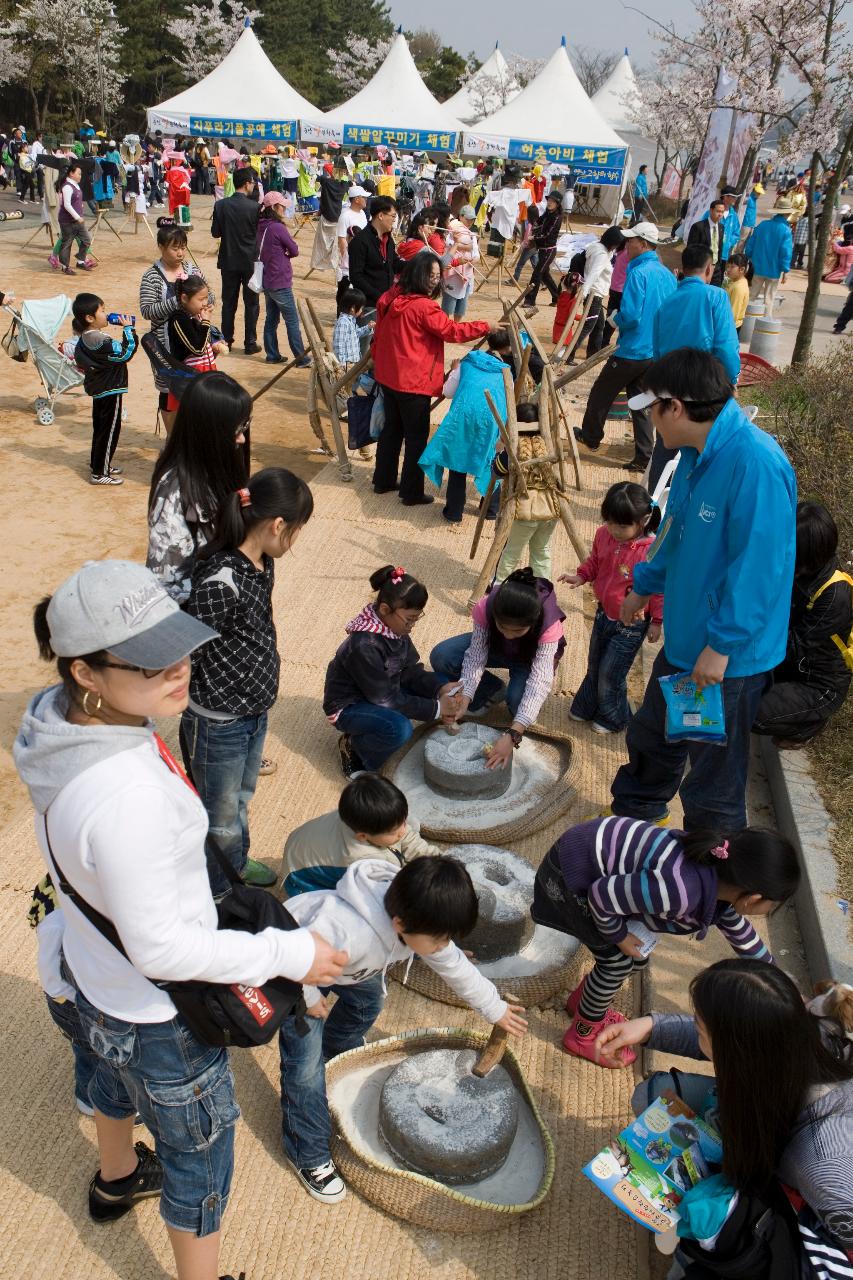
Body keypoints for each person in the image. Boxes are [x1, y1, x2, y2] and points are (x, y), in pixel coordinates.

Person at [13, 558, 346, 1280]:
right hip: (159, 1016)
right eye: (149, 657)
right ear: (86, 673)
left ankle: (116, 1175)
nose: (181, 665)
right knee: (198, 1160)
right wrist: (290, 955)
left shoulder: (55, 730)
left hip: (92, 977)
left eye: (180, 639)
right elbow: (163, 948)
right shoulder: (128, 797)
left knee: (107, 1079)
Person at [611, 348, 797, 831]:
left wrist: (721, 647)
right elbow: (673, 532)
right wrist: (643, 587)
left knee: (712, 766)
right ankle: (636, 818)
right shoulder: (693, 455)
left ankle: (710, 862)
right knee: (655, 735)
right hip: (690, 638)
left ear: (674, 407)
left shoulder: (755, 463)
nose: (651, 422)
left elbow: (760, 569)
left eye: (652, 410)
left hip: (725, 658)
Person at [278, 856, 527, 1203]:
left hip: (352, 967)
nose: (444, 947)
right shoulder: (347, 931)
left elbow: (453, 964)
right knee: (304, 1069)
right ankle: (307, 1152)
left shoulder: (419, 914)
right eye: (440, 940)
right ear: (399, 923)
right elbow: (293, 956)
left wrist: (494, 1008)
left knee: (367, 1002)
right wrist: (308, 998)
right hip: (297, 969)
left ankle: (337, 1050)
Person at [596, 959, 853, 1257]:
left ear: (737, 1052)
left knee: (703, 1243)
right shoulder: (801, 1026)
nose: (695, 1031)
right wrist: (650, 1027)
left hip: (809, 1214)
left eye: (698, 1027)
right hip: (777, 1139)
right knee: (653, 1096)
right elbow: (726, 1034)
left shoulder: (824, 1165)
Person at [532, 817, 799, 1065]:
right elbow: (602, 896)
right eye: (772, 905)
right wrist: (619, 935)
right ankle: (582, 1035)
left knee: (633, 959)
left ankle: (584, 1004)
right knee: (616, 962)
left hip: (593, 871)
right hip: (570, 877)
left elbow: (741, 933)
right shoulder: (681, 890)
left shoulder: (718, 873)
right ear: (753, 898)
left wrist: (779, 983)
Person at [182, 468, 313, 896]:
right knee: (217, 814)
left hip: (251, 711)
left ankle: (233, 862)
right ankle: (218, 893)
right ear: (278, 525)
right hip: (217, 721)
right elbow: (188, 647)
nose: (293, 542)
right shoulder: (221, 580)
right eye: (295, 531)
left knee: (240, 797)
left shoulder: (263, 563)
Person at [371, 253, 491, 506]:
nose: (433, 281)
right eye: (430, 276)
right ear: (417, 274)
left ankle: (383, 480)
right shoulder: (424, 307)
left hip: (390, 375)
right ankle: (411, 491)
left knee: (392, 429)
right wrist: (485, 326)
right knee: (415, 437)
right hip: (413, 381)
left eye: (437, 276)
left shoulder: (391, 297)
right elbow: (451, 331)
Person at [323, 565, 461, 778]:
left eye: (417, 617)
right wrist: (436, 708)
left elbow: (411, 672)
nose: (413, 625)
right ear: (385, 610)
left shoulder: (395, 630)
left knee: (441, 683)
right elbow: (385, 698)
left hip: (382, 690)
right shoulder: (364, 645)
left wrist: (440, 689)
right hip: (350, 704)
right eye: (410, 619)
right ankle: (356, 749)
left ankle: (437, 695)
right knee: (399, 729)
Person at [432, 567, 567, 773]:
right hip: (496, 647)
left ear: (532, 622)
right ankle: (491, 691)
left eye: (518, 630)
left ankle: (510, 695)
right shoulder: (486, 606)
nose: (510, 635)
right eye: (503, 626)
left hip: (527, 659)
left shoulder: (549, 625)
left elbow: (540, 681)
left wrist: (513, 734)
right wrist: (466, 697)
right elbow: (476, 656)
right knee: (443, 656)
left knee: (519, 705)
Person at [561, 482, 663, 733]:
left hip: (632, 623)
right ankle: (587, 705)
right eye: (610, 522)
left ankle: (615, 717)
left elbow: (660, 588)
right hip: (604, 613)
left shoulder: (651, 551)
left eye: (622, 525)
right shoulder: (603, 535)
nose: (614, 530)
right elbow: (595, 561)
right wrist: (582, 576)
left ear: (642, 521)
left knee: (611, 671)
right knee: (595, 663)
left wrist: (658, 621)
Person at [574, 222, 677, 473]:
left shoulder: (638, 273)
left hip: (632, 348)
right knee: (640, 402)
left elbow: (631, 315)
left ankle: (591, 436)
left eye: (630, 241)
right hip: (654, 350)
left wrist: (614, 318)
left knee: (601, 392)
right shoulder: (665, 274)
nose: (625, 246)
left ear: (642, 244)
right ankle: (643, 455)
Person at [753, 502, 852, 748]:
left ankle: (808, 724)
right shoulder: (799, 571)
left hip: (818, 683)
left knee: (749, 711)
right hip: (789, 665)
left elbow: (793, 646)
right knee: (735, 693)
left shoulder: (835, 594)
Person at [147, 372, 251, 603]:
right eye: (236, 429)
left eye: (245, 426)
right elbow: (168, 584)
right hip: (198, 614)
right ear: (208, 431)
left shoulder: (214, 468)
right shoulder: (174, 493)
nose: (242, 439)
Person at [646, 243, 741, 489]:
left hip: (668, 388)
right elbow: (726, 348)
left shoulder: (666, 303)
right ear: (709, 269)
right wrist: (731, 381)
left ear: (682, 270)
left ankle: (655, 509)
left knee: (666, 447)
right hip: (703, 391)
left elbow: (656, 350)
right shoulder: (716, 297)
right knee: (701, 451)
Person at [282, 773, 440, 896]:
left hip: (307, 846)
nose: (403, 831)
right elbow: (389, 894)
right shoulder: (362, 860)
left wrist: (438, 860)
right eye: (394, 832)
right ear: (363, 836)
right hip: (303, 881)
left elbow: (407, 836)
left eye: (403, 822)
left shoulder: (367, 816)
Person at [418, 328, 512, 524]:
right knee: (491, 461)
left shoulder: (468, 362)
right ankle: (490, 509)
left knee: (457, 461)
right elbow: (509, 401)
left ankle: (454, 511)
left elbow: (449, 392)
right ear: (509, 349)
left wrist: (454, 370)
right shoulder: (506, 372)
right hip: (490, 420)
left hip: (462, 417)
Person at [139, 223, 210, 434]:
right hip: (165, 346)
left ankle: (190, 435)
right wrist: (179, 303)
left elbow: (209, 294)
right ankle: (172, 438)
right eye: (174, 248)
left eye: (183, 247)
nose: (180, 253)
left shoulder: (191, 270)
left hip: (192, 341)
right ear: (161, 247)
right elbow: (147, 310)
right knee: (167, 389)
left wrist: (205, 303)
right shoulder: (151, 276)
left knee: (194, 388)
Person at [490, 403, 562, 580]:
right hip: (550, 509)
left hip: (525, 511)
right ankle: (542, 589)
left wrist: (500, 451)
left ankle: (500, 588)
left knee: (511, 553)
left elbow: (497, 471)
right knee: (542, 553)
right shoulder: (548, 444)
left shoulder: (514, 449)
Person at [71, 294, 137, 488]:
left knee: (100, 429)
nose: (106, 314)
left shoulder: (86, 337)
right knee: (109, 431)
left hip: (100, 389)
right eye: (102, 310)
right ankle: (100, 473)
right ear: (90, 318)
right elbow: (125, 353)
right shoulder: (100, 340)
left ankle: (99, 463)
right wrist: (128, 330)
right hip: (110, 389)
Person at [255, 190, 310, 367]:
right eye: (282, 206)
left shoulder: (261, 225)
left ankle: (272, 354)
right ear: (275, 207)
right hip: (280, 280)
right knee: (292, 320)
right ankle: (301, 358)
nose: (284, 209)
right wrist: (285, 252)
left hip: (267, 279)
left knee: (271, 319)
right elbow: (294, 249)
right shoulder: (278, 227)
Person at [211, 165, 260, 354]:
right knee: (252, 303)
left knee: (229, 303)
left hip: (229, 260)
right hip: (250, 262)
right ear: (247, 184)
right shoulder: (255, 207)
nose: (254, 186)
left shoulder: (221, 205)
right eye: (253, 183)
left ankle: (226, 340)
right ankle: (250, 343)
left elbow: (216, 233)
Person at [165, 276, 226, 413]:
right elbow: (197, 349)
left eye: (206, 298)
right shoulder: (178, 319)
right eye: (200, 299)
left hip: (204, 374)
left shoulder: (195, 316)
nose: (205, 303)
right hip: (190, 379)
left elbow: (203, 344)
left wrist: (213, 345)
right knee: (194, 419)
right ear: (185, 298)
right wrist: (205, 322)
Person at [347, 196, 404, 316]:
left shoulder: (388, 239)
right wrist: (380, 296)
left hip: (386, 303)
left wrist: (417, 265)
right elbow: (356, 277)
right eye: (393, 216)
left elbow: (394, 264)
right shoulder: (360, 241)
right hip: (367, 306)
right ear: (381, 215)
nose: (394, 220)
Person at [576, 226, 626, 355]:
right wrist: (585, 292)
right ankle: (569, 354)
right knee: (587, 326)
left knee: (599, 326)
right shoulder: (602, 255)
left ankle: (593, 353)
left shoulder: (597, 247)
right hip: (594, 294)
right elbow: (594, 273)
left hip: (594, 293)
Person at [744, 211, 793, 317]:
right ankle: (765, 321)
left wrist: (748, 255)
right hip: (774, 270)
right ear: (788, 214)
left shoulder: (763, 225)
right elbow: (786, 252)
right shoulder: (786, 230)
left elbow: (750, 244)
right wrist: (785, 270)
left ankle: (746, 319)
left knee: (752, 295)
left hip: (757, 267)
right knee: (769, 298)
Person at [523, 191, 563, 306]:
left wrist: (533, 236)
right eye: (549, 200)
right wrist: (533, 224)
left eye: (552, 201)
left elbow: (547, 234)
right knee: (545, 275)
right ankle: (557, 298)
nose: (549, 203)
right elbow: (538, 221)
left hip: (549, 250)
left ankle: (530, 301)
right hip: (542, 249)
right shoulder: (548, 213)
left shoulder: (557, 217)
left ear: (557, 204)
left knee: (537, 274)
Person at [56, 161, 94, 277]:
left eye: (80, 174)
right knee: (67, 243)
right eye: (78, 173)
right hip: (67, 220)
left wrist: (80, 207)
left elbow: (75, 200)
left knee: (87, 239)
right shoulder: (67, 186)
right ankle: (65, 266)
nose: (80, 176)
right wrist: (77, 216)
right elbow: (67, 205)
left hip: (77, 220)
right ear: (71, 174)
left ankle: (80, 261)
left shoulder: (75, 185)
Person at [441, 206, 479, 318]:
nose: (470, 222)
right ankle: (444, 329)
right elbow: (447, 244)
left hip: (466, 274)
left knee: (461, 308)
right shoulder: (452, 228)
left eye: (472, 220)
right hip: (453, 272)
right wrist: (466, 247)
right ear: (461, 216)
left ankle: (456, 329)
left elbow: (476, 254)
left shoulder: (471, 235)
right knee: (448, 307)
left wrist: (473, 260)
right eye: (468, 219)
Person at [334, 186, 369, 308]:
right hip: (349, 262)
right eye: (364, 197)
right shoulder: (345, 216)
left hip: (361, 257)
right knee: (345, 294)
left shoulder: (363, 214)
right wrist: (347, 260)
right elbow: (342, 239)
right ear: (357, 199)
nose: (366, 200)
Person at [687, 199, 728, 286]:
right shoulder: (698, 227)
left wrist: (718, 265)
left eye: (722, 212)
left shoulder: (721, 227)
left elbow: (719, 247)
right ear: (711, 210)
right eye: (718, 211)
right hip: (701, 268)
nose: (720, 214)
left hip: (716, 268)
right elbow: (691, 249)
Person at [724, 252, 750, 333]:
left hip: (730, 327)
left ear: (742, 269)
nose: (728, 269)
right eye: (727, 266)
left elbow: (733, 314)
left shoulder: (738, 287)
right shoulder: (736, 282)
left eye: (732, 267)